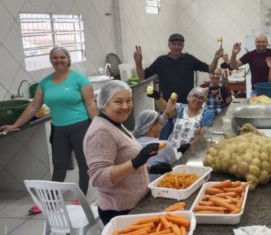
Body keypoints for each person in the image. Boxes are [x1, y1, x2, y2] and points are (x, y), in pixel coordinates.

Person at [0, 46, 97, 214]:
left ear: (68, 59)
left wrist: (98, 126)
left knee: (83, 163)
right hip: (59, 129)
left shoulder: (79, 79)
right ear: (51, 60)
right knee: (59, 165)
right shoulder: (45, 82)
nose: (58, 60)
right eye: (55, 58)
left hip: (81, 126)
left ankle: (80, 198)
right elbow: (33, 106)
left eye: (62, 57)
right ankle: (50, 201)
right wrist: (16, 124)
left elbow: (90, 104)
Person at [83, 81, 170, 225]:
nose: (125, 106)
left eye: (128, 100)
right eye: (118, 101)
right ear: (104, 103)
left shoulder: (116, 123)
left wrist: (150, 168)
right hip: (119, 209)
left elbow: (121, 161)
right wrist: (135, 162)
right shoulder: (101, 131)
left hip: (134, 204)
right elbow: (99, 178)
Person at [134, 33, 223, 104]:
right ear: (169, 45)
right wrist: (138, 63)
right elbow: (142, 76)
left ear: (183, 46)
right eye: (174, 44)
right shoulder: (160, 61)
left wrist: (215, 58)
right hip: (166, 105)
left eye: (179, 44)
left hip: (187, 104)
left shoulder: (189, 59)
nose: (176, 47)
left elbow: (210, 69)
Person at [151, 87, 214, 152]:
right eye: (195, 96)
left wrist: (189, 145)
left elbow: (203, 134)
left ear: (204, 101)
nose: (198, 100)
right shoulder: (180, 108)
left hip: (190, 150)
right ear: (189, 97)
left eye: (201, 98)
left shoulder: (206, 113)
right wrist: (158, 97)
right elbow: (168, 110)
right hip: (171, 148)